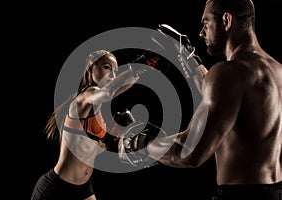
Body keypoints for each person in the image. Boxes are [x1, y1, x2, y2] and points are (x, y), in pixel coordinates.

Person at [119, 0, 282, 199]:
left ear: (226, 20)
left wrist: (138, 141)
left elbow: (189, 151)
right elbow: (226, 100)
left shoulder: (228, 73)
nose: (201, 33)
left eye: (206, 23)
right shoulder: (276, 70)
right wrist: (189, 58)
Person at [31, 50, 141, 200]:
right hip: (57, 189)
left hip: (83, 188)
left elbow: (86, 152)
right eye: (107, 67)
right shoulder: (85, 96)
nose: (112, 75)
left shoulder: (97, 111)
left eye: (115, 71)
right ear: (90, 68)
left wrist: (139, 72)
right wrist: (135, 67)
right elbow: (109, 93)